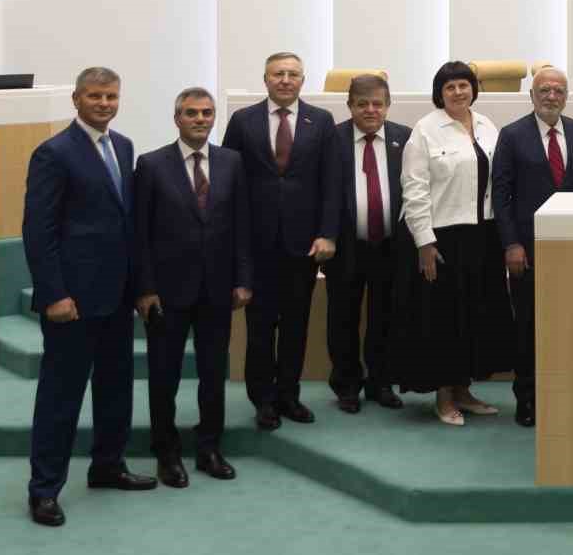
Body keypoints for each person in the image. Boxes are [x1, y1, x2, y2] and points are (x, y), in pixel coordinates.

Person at [22, 67, 155, 527]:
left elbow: (128, 226)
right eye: (95, 96)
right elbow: (38, 233)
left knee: (116, 388)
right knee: (61, 396)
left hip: (116, 297)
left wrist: (140, 287)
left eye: (112, 96)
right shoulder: (53, 154)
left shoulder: (123, 146)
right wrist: (54, 294)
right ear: (76, 99)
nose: (104, 103)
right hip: (72, 303)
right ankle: (44, 490)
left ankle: (107, 466)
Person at [133, 87, 252, 489]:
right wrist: (144, 288)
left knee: (213, 373)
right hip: (166, 292)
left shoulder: (231, 163)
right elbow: (140, 235)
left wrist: (243, 279)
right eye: (191, 113)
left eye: (206, 112)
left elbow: (241, 227)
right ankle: (166, 451)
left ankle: (208, 448)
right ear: (177, 118)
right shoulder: (150, 165)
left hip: (218, 289)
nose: (200, 119)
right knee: (163, 375)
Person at [222, 53, 340, 430]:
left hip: (302, 244)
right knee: (259, 327)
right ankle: (263, 400)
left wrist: (328, 233)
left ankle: (289, 394)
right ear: (265, 78)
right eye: (278, 74)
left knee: (295, 323)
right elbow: (228, 179)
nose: (285, 80)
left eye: (292, 74)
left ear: (303, 80)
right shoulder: (243, 121)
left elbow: (331, 185)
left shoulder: (320, 122)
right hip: (256, 243)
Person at [391, 60, 514, 425]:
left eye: (464, 85)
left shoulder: (486, 125)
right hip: (442, 238)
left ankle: (464, 390)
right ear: (439, 94)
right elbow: (413, 189)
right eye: (450, 87)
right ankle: (444, 398)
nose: (458, 92)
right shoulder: (425, 131)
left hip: (483, 234)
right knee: (443, 318)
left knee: (475, 315)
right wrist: (424, 242)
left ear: (473, 88)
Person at [491, 66, 573, 428]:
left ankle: (569, 397)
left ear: (567, 96)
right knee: (529, 328)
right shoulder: (512, 135)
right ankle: (528, 399)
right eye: (544, 90)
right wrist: (511, 244)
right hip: (527, 251)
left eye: (559, 90)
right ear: (531, 95)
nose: (552, 96)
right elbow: (501, 197)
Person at [324, 74, 410, 414]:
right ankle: (347, 385)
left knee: (385, 317)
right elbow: (324, 193)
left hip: (391, 245)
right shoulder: (332, 139)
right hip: (345, 246)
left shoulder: (405, 138)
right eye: (362, 104)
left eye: (377, 103)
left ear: (388, 105)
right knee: (342, 317)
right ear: (350, 106)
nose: (370, 110)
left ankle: (380, 382)